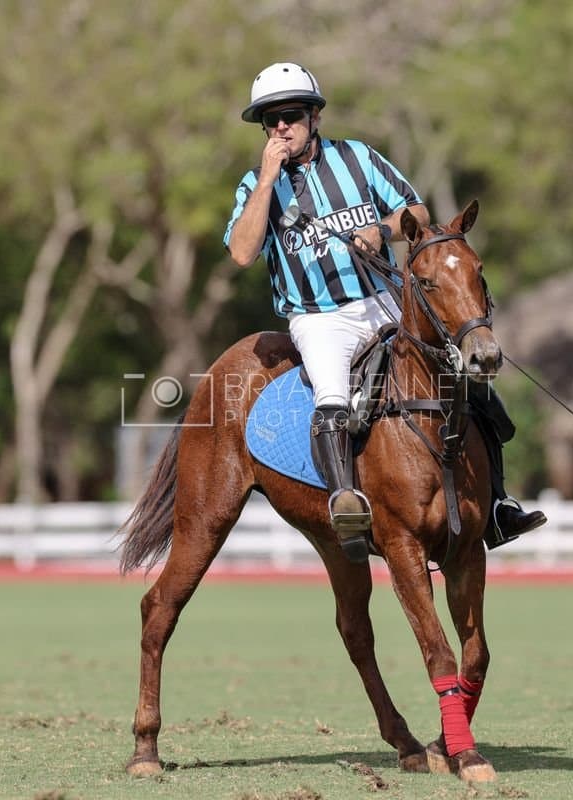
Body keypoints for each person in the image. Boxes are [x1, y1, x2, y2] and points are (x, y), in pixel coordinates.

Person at [224, 62, 544, 561]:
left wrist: (380, 230)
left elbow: (416, 213)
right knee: (333, 397)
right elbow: (242, 252)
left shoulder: (358, 158)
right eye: (271, 119)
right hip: (319, 318)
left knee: (466, 381)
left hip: (383, 301)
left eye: (291, 115)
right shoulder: (253, 186)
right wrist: (267, 179)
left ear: (314, 116)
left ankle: (498, 504)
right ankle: (345, 501)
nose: (281, 127)